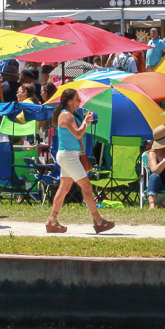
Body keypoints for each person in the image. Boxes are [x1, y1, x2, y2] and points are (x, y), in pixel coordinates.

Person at [44, 88, 115, 234]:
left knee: (64, 188)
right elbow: (78, 134)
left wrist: (85, 121)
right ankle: (98, 220)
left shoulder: (69, 115)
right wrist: (85, 122)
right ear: (69, 101)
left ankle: (52, 221)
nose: (79, 101)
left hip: (69, 155)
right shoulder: (66, 115)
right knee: (87, 187)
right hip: (68, 156)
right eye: (77, 99)